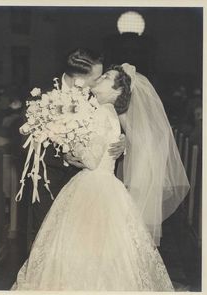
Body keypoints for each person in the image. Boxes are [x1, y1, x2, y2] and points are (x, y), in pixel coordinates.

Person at [12, 64, 187, 291]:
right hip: (103, 183)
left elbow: (91, 161)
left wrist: (70, 145)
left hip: (93, 185)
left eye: (106, 77)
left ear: (116, 92)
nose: (100, 77)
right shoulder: (105, 111)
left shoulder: (102, 113)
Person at [21, 48, 125, 240]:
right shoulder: (41, 96)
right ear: (80, 77)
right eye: (97, 77)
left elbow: (111, 125)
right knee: (45, 238)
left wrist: (122, 141)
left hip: (84, 186)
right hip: (49, 180)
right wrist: (63, 154)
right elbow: (26, 141)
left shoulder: (96, 97)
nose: (100, 80)